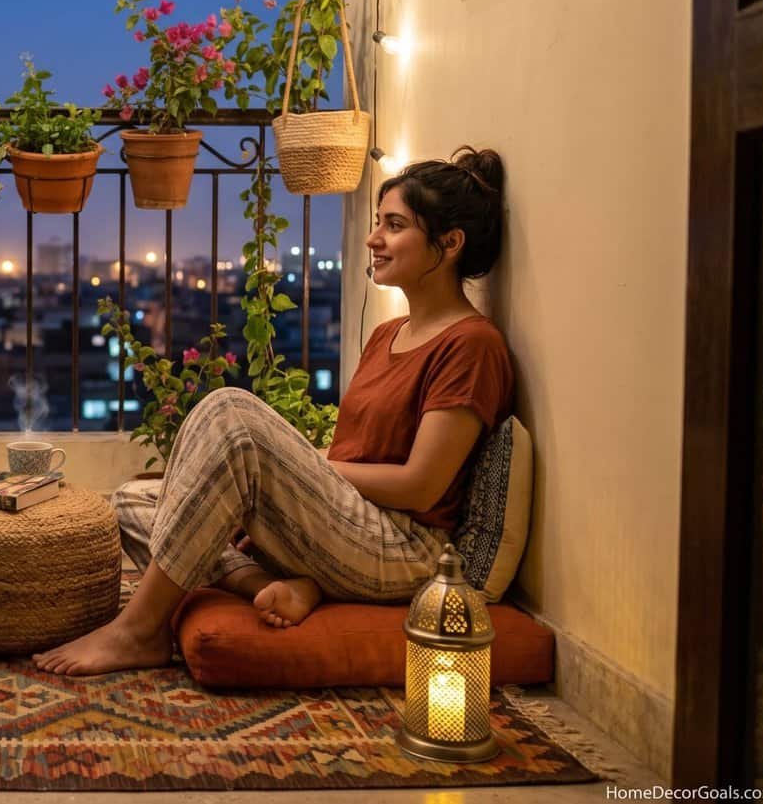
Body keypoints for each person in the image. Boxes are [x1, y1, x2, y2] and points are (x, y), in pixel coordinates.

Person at [34, 147, 514, 676]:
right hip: (349, 525)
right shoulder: (387, 335)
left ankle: (140, 630)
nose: (374, 239)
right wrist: (275, 490)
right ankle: (272, 588)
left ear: (449, 244)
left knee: (231, 411)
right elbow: (357, 453)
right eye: (378, 222)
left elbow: (421, 486)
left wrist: (300, 471)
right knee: (135, 498)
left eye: (394, 225)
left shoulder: (471, 345)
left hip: (402, 548)